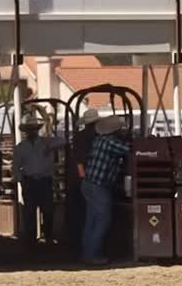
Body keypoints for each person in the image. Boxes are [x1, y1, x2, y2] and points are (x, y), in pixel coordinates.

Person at [82, 114, 130, 265]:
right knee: (103, 219)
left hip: (89, 183)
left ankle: (87, 253)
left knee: (92, 220)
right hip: (98, 185)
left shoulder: (99, 140)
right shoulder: (111, 142)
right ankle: (93, 254)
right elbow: (131, 150)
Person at [13, 113, 65, 248]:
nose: (32, 132)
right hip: (30, 181)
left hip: (44, 180)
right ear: (26, 131)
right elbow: (16, 167)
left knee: (47, 211)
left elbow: (63, 141)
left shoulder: (46, 142)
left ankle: (47, 237)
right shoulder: (21, 147)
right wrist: (21, 181)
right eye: (30, 129)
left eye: (34, 129)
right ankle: (31, 240)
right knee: (29, 212)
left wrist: (49, 143)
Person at [68, 107, 100, 257]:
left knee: (84, 215)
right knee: (91, 215)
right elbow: (79, 159)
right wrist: (84, 177)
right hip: (88, 178)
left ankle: (80, 248)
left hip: (82, 177)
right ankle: (88, 249)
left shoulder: (79, 137)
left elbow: (77, 158)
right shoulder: (94, 137)